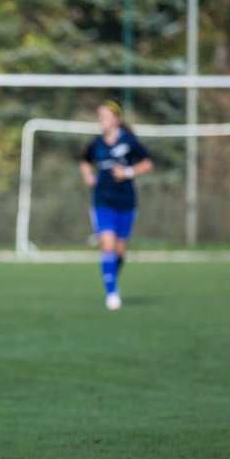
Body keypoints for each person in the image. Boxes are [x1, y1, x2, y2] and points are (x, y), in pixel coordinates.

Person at [79, 100, 153, 310]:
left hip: (126, 201)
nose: (102, 120)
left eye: (105, 116)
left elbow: (148, 163)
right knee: (108, 244)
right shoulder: (96, 144)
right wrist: (87, 175)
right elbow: (84, 161)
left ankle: (112, 279)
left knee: (119, 251)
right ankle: (111, 293)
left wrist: (128, 172)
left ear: (116, 119)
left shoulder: (129, 142)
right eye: (99, 116)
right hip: (103, 200)